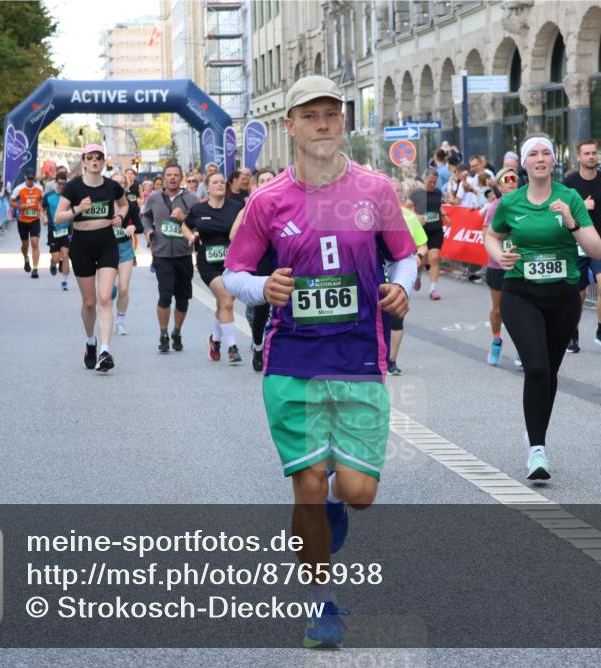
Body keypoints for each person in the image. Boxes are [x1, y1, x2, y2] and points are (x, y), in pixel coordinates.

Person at [222, 75, 416, 649]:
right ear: (291, 127)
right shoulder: (267, 200)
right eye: (311, 116)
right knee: (307, 485)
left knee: (357, 492)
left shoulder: (376, 191)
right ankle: (320, 605)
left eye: (332, 113)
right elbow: (234, 273)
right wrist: (263, 288)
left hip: (359, 358)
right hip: (292, 361)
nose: (324, 123)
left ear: (344, 121)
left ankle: (337, 499)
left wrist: (401, 288)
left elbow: (405, 256)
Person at [484, 134, 601, 480]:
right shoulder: (511, 202)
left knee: (548, 371)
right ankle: (537, 449)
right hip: (520, 293)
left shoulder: (570, 198)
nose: (539, 158)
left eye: (546, 153)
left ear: (554, 161)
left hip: (563, 296)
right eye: (533, 153)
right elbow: (491, 234)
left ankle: (536, 433)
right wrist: (499, 255)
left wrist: (571, 220)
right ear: (523, 163)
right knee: (535, 367)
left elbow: (595, 250)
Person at [54, 144, 128, 372]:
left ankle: (105, 350)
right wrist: (77, 209)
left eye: (99, 158)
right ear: (84, 161)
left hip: (107, 243)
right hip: (82, 245)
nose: (95, 161)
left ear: (103, 162)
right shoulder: (73, 187)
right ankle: (91, 342)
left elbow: (124, 205)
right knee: (89, 302)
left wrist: (119, 218)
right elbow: (58, 218)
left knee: (105, 297)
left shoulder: (112, 186)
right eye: (90, 157)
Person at [563, 139, 601, 354]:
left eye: (594, 153)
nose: (591, 157)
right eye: (586, 153)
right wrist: (580, 206)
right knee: (578, 295)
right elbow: (558, 211)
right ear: (578, 157)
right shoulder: (568, 183)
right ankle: (572, 334)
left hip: (598, 242)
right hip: (575, 244)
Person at [184, 171, 245, 363]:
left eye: (222, 182)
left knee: (223, 303)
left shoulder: (236, 207)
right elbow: (185, 226)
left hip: (233, 261)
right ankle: (232, 347)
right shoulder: (198, 210)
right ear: (207, 187)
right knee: (226, 300)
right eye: (215, 182)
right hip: (208, 263)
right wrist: (190, 236)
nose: (219, 184)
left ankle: (215, 339)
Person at [141, 163, 201, 353]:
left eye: (176, 175)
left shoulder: (192, 199)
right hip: (162, 255)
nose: (172, 178)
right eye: (169, 175)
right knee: (165, 295)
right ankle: (163, 333)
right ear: (164, 177)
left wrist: (184, 218)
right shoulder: (154, 198)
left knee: (183, 299)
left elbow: (199, 223)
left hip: (184, 255)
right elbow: (145, 216)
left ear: (181, 177)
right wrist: (149, 230)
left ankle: (177, 331)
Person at [229, 168, 277, 372]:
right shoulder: (247, 208)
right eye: (262, 180)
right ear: (256, 186)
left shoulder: (287, 205)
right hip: (261, 261)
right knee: (262, 309)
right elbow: (233, 236)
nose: (266, 183)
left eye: (270, 180)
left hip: (284, 258)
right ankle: (258, 346)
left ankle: (279, 348)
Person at [387, 178, 429, 375]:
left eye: (397, 190)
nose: (393, 193)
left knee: (396, 319)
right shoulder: (369, 216)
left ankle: (391, 360)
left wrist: (419, 257)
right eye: (390, 189)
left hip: (400, 274)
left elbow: (422, 244)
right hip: (376, 274)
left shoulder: (409, 218)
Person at [484, 167, 520, 366]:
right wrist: (500, 253)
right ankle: (496, 340)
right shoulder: (494, 208)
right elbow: (486, 237)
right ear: (499, 185)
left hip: (521, 264)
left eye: (514, 178)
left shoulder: (527, 204)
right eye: (507, 179)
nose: (512, 182)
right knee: (498, 310)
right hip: (498, 265)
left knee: (521, 309)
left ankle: (523, 348)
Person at [109, 172, 143, 335]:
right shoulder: (102, 204)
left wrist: (133, 228)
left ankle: (120, 321)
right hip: (105, 250)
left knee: (123, 288)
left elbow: (141, 227)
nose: (118, 185)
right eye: (115, 182)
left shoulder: (131, 205)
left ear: (126, 186)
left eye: (122, 183)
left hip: (124, 249)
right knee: (108, 290)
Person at [409, 168, 445, 300]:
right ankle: (418, 276)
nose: (432, 184)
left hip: (436, 229)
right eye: (430, 182)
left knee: (434, 257)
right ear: (424, 179)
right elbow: (407, 208)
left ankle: (433, 290)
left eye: (435, 182)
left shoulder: (438, 192)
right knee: (422, 260)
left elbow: (437, 206)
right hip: (421, 231)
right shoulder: (417, 193)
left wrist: (444, 213)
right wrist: (416, 216)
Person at [11, 171, 45, 278]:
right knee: (25, 245)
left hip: (35, 219)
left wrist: (40, 206)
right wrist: (20, 206)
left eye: (32, 179)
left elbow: (42, 200)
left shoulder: (39, 188)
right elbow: (11, 202)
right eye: (28, 179)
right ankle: (26, 259)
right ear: (25, 178)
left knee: (35, 243)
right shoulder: (19, 189)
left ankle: (35, 269)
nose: (30, 181)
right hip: (22, 221)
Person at [43, 174, 71, 290]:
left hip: (67, 230)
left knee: (65, 255)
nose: (62, 186)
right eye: (60, 183)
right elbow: (42, 208)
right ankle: (53, 263)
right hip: (53, 230)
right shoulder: (49, 196)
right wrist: (43, 217)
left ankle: (64, 281)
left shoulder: (69, 197)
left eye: (64, 184)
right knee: (55, 257)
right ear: (56, 183)